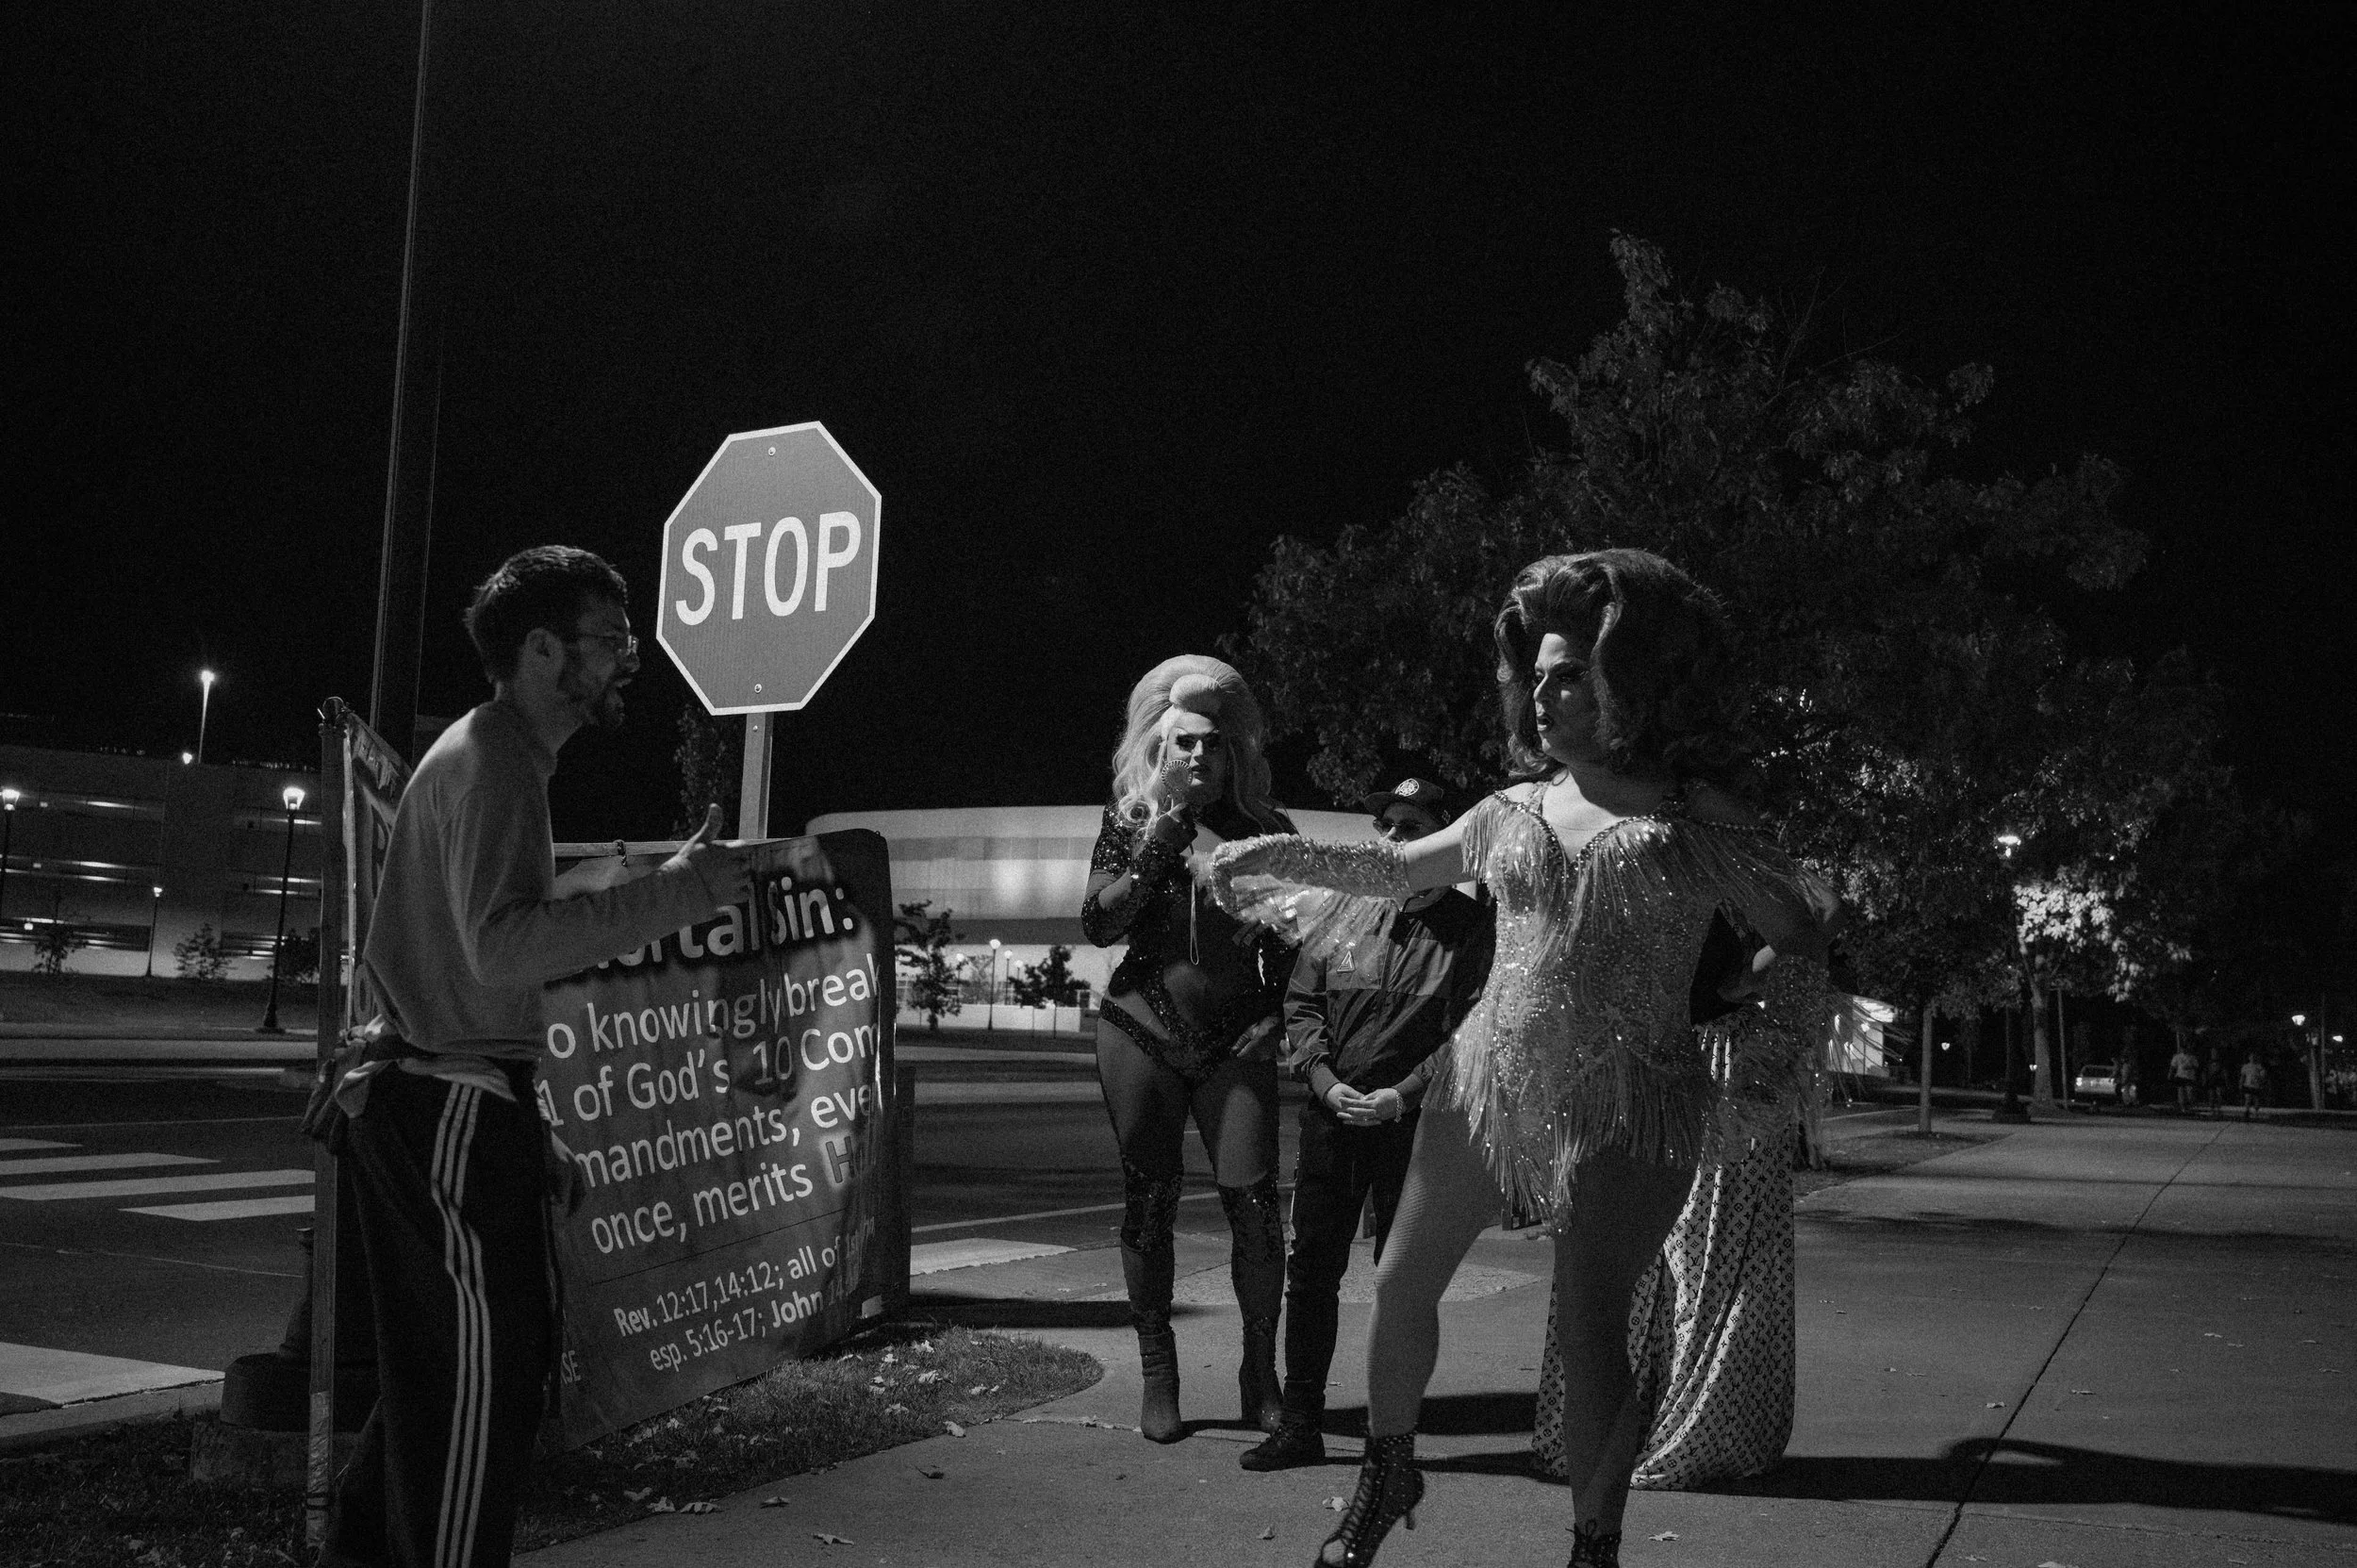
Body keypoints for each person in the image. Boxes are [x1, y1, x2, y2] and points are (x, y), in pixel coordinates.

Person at [1214, 551, 1833, 1568]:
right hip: (1488, 1076)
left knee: (1592, 1324)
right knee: (1399, 1280)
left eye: (1569, 675)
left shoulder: (1697, 817)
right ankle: (1386, 1473)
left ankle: (1594, 1548)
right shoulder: (1510, 809)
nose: (1542, 696)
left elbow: (1799, 934)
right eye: (1534, 676)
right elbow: (1395, 868)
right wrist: (1277, 853)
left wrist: (1751, 1030)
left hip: (1634, 1095)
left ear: (1631, 678)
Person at [321, 548, 752, 1568]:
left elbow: (480, 965)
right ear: (543, 649)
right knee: (478, 1396)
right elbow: (501, 948)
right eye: (611, 638)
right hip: (444, 1110)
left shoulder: (501, 757)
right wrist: (682, 893)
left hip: (454, 1102)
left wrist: (530, 1121)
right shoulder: (495, 761)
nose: (628, 659)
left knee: (445, 1385)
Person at [1240, 778, 1495, 1473]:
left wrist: (1402, 1095)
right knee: (1312, 1272)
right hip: (1334, 1118)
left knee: (1401, 1281)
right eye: (1386, 825)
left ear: (1444, 837)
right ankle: (1301, 1424)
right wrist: (1324, 1081)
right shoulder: (1344, 908)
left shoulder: (1472, 930)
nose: (1393, 839)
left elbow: (1473, 1032)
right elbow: (1302, 1004)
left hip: (1415, 1126)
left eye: (1411, 826)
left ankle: (1391, 1436)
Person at [1082, 655, 1296, 1444]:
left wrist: (1279, 1014)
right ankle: (1159, 1374)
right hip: (1140, 1029)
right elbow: (1098, 922)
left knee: (1257, 1211)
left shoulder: (1271, 831)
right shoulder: (1132, 820)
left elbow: (1303, 939)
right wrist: (1157, 845)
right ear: (1160, 749)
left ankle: (1259, 1373)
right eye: (1184, 743)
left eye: (1212, 742)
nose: (1199, 754)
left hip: (1236, 1041)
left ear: (1233, 751)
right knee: (1150, 1203)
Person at [2169, 1039, 2199, 1114]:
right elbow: (2173, 1066)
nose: (2184, 1050)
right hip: (2180, 1076)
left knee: (2190, 1093)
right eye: (2183, 1048)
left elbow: (2196, 1066)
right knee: (2181, 1092)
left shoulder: (2192, 1057)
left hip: (2189, 1077)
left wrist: (2190, 1067)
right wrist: (2170, 1074)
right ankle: (2183, 1108)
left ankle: (2190, 1106)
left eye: (2185, 1048)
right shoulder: (2177, 1057)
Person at [2238, 1050, 2266, 1119]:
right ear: (2249, 1058)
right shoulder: (2245, 1066)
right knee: (2248, 1098)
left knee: (2256, 1100)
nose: (2252, 1058)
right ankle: (2247, 1111)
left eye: (2254, 1057)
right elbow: (2243, 1076)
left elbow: (2263, 1077)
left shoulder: (2259, 1067)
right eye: (2251, 1057)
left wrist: (2261, 1082)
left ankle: (2256, 1112)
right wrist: (2240, 1084)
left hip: (2256, 1086)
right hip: (2248, 1085)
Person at [2203, 1047, 2229, 1118]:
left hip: (2219, 1080)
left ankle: (2218, 1108)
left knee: (2219, 1094)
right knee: (2211, 1095)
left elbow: (2225, 1072)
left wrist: (2226, 1081)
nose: (2214, 1053)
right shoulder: (2208, 1062)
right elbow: (2205, 1072)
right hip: (2211, 1080)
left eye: (2215, 1052)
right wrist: (2204, 1080)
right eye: (2213, 1052)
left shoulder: (2221, 1062)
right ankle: (2212, 1109)